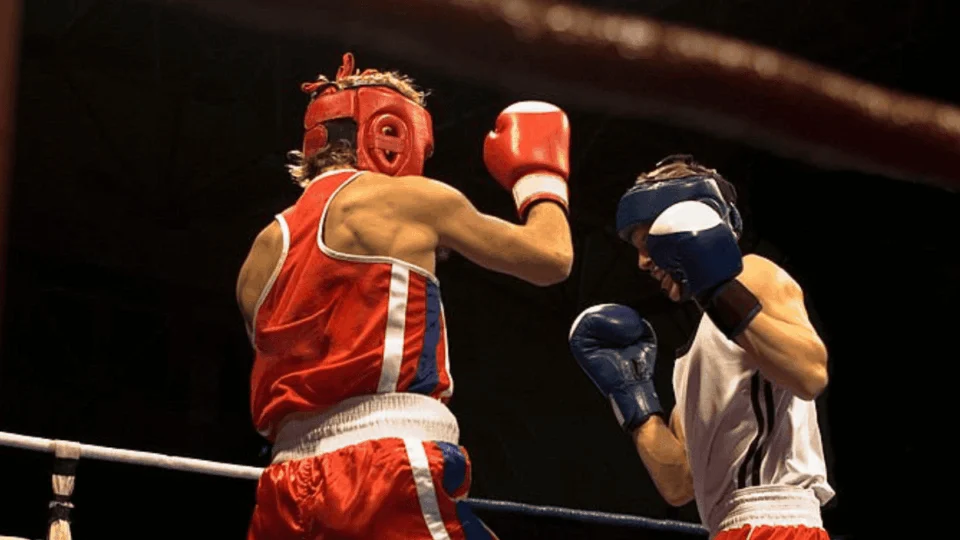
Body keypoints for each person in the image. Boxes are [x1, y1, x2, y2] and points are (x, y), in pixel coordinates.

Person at [235, 52, 574, 539]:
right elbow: (551, 258)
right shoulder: (411, 200)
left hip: (284, 485)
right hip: (381, 464)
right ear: (391, 132)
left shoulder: (261, 251)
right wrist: (538, 177)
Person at [568, 155, 835, 539]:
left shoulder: (753, 274)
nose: (643, 262)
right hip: (732, 528)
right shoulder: (695, 356)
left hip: (775, 522)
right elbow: (679, 485)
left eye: (648, 242)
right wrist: (635, 397)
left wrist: (721, 290)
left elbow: (810, 373)